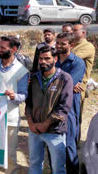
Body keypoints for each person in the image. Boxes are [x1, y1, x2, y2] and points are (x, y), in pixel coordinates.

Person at [0, 36, 29, 174]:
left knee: (10, 153)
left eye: (4, 48)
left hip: (10, 117)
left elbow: (23, 95)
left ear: (13, 49)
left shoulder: (21, 70)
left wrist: (14, 96)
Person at [25, 46, 73, 174]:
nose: (43, 61)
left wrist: (46, 124)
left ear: (55, 59)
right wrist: (30, 122)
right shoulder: (35, 78)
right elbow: (28, 103)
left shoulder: (65, 78)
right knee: (34, 164)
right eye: (41, 59)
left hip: (54, 131)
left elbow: (64, 107)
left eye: (47, 58)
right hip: (35, 130)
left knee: (58, 168)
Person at [55, 32, 85, 173]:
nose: (59, 46)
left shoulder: (77, 62)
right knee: (55, 143)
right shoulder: (53, 61)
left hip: (69, 108)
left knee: (69, 144)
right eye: (57, 43)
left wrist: (59, 84)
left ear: (71, 45)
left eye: (63, 43)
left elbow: (67, 85)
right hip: (52, 106)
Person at [71, 24, 95, 145]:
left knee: (75, 116)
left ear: (83, 33)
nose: (72, 32)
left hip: (79, 87)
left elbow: (71, 59)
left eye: (75, 30)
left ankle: (75, 144)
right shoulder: (75, 45)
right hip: (70, 86)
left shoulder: (87, 46)